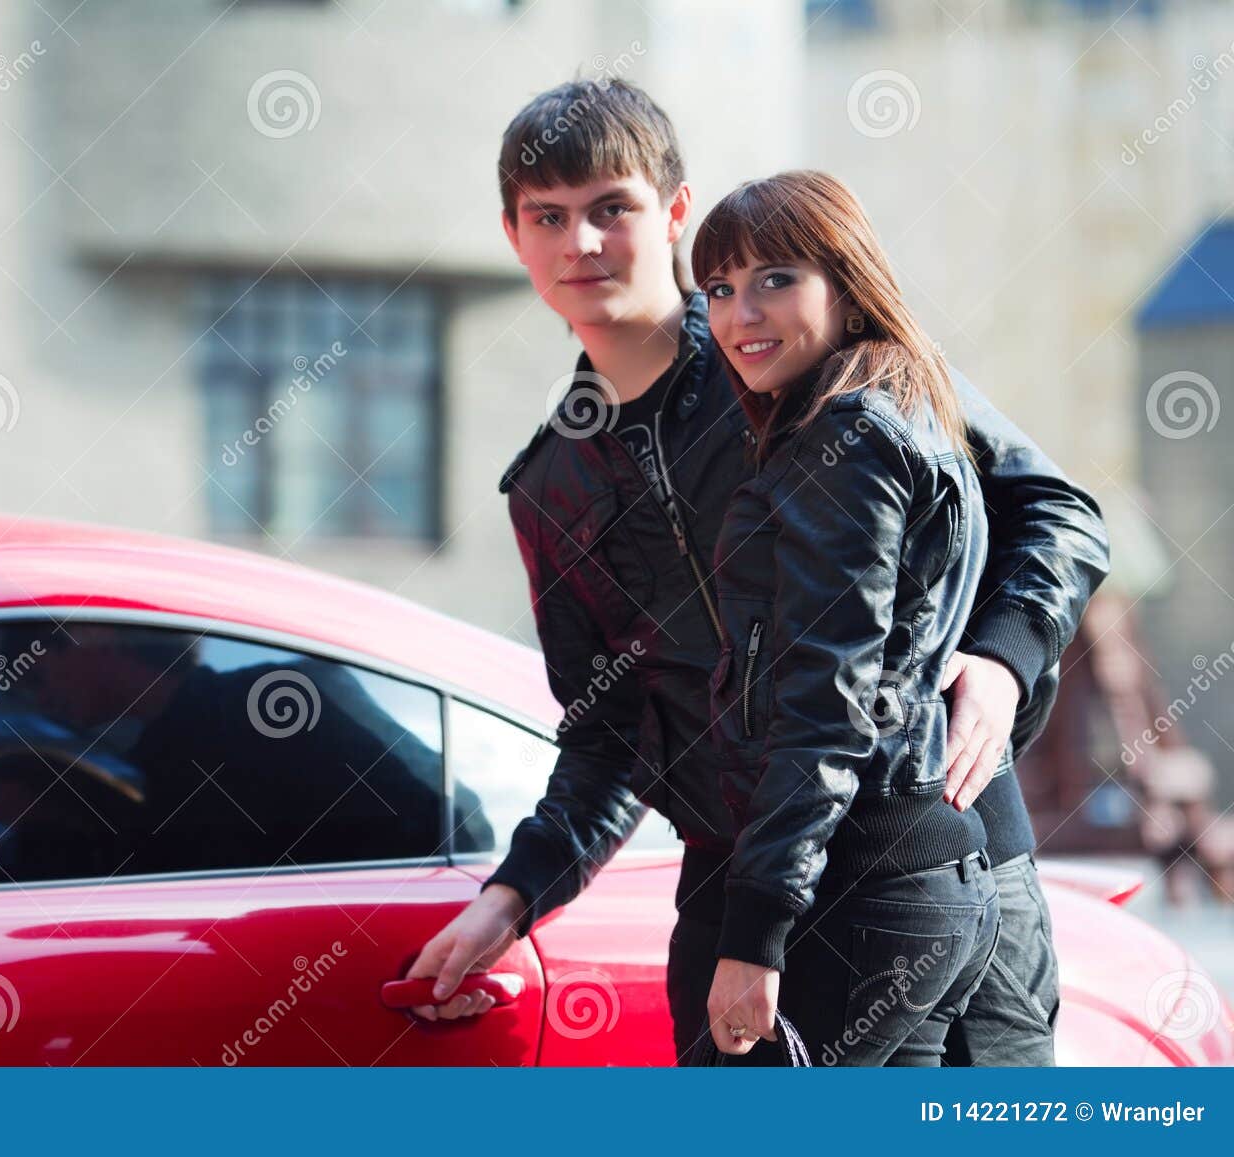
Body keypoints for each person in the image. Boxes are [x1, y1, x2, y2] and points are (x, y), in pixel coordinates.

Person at [403, 80, 1108, 1067]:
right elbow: (613, 738)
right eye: (548, 218)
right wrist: (514, 895)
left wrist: (1000, 656)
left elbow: (1054, 510)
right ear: (514, 236)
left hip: (936, 850)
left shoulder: (803, 362)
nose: (584, 244)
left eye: (613, 207)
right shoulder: (550, 488)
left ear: (675, 212)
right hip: (738, 891)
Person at [693, 169, 996, 1064]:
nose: (741, 314)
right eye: (719, 288)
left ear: (847, 281)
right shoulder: (910, 407)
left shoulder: (845, 433)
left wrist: (756, 932)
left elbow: (829, 694)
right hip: (922, 876)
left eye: (774, 279)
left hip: (857, 885)